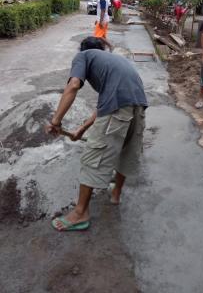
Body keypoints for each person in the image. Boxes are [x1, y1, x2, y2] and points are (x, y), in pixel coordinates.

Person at [46, 36, 148, 231]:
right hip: (139, 106)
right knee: (126, 151)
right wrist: (81, 129)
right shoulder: (115, 62)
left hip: (120, 108)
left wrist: (56, 121)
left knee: (92, 156)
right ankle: (116, 193)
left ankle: (80, 213)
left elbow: (74, 85)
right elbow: (105, 105)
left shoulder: (83, 56)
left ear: (83, 50)